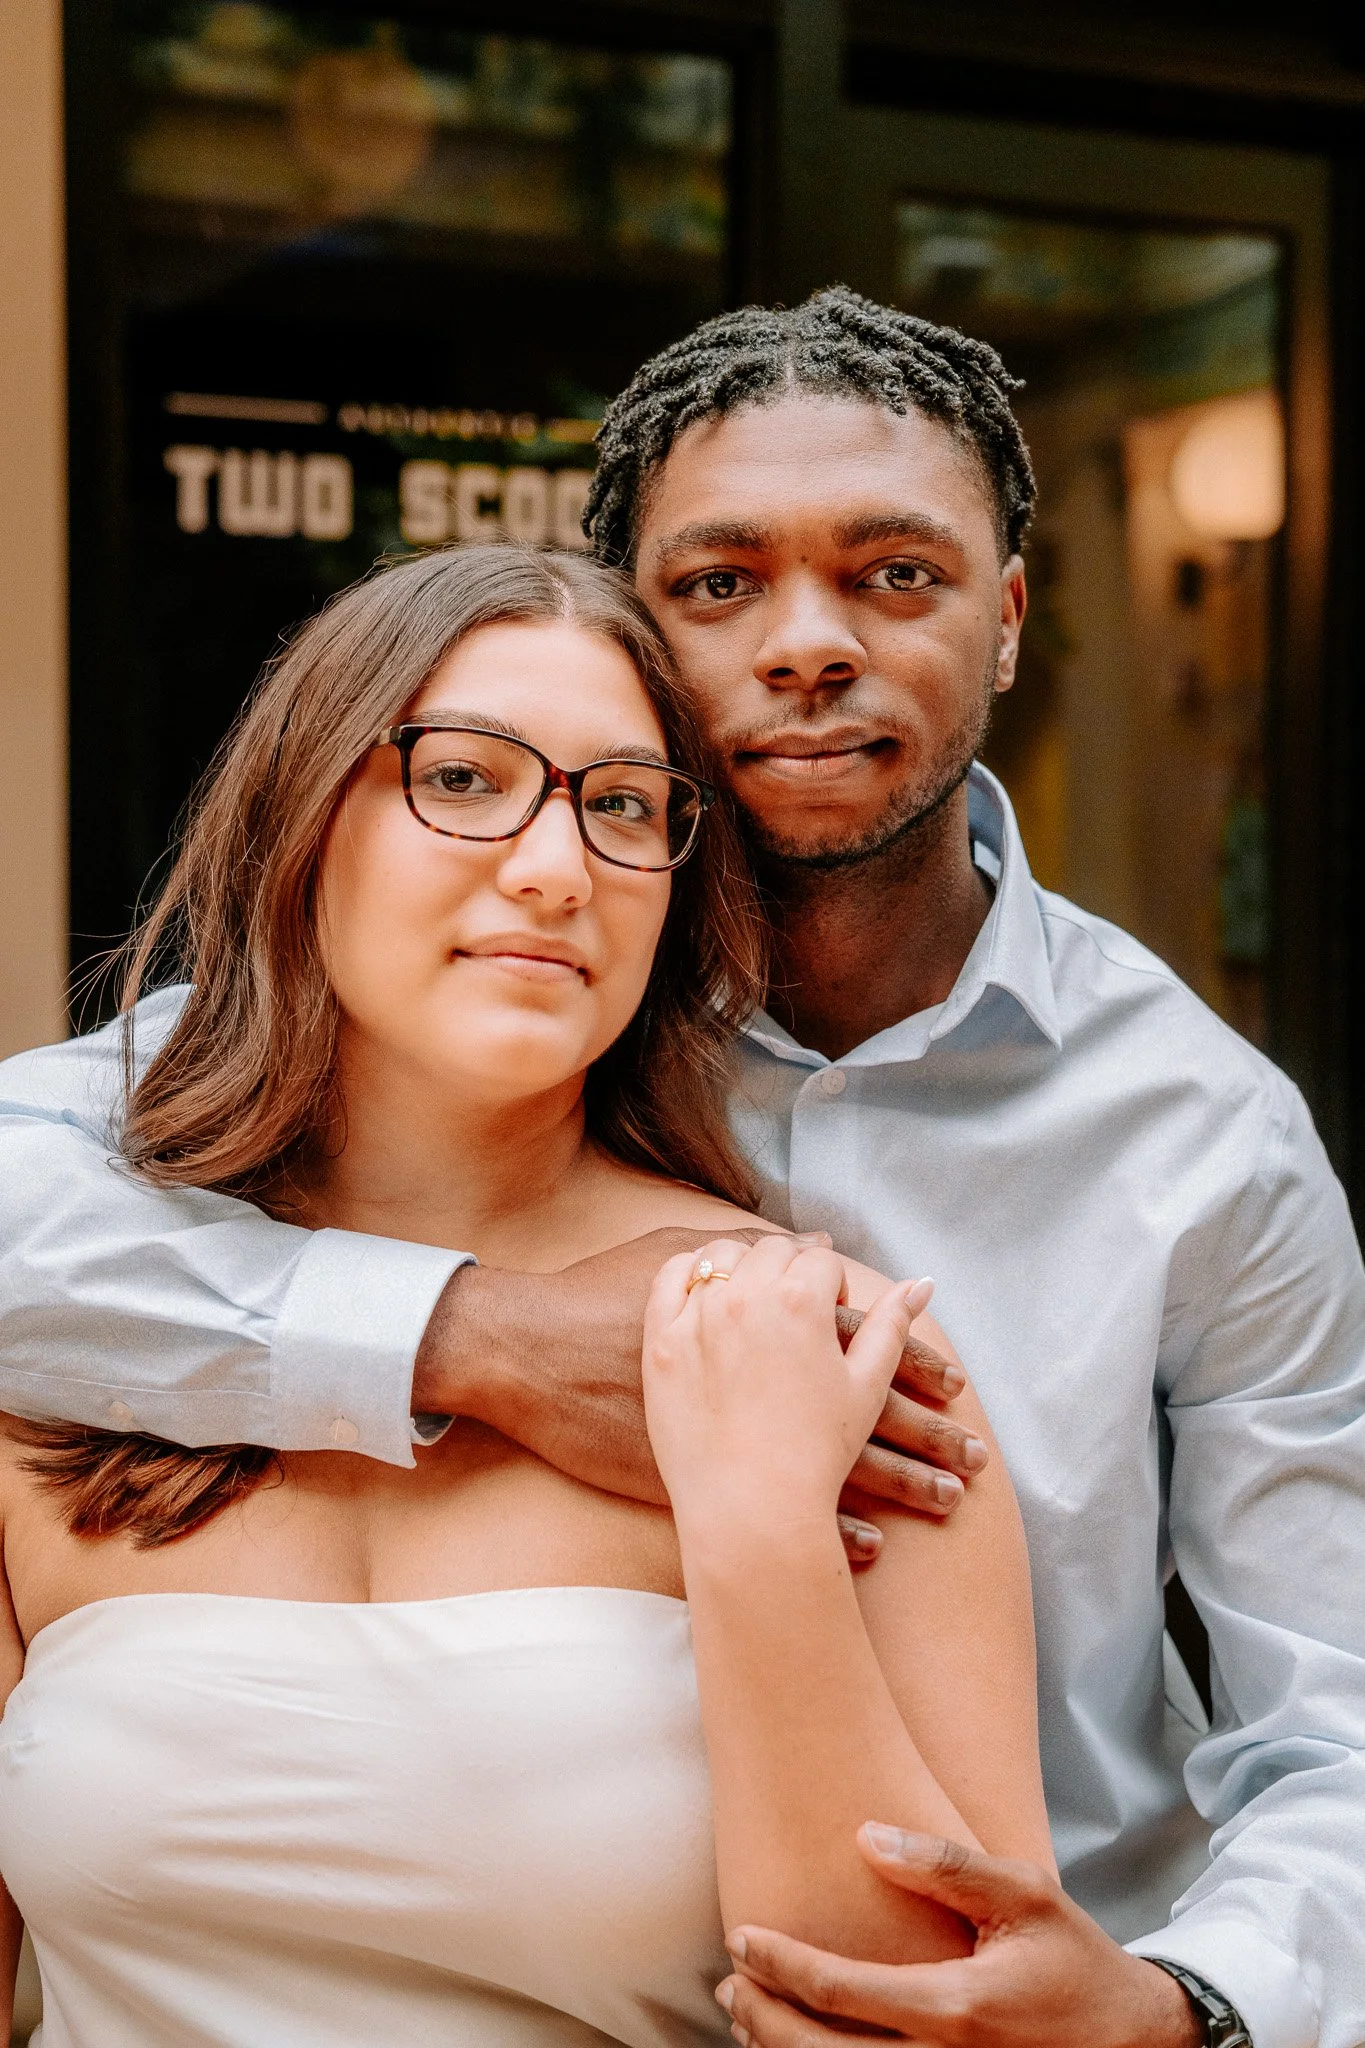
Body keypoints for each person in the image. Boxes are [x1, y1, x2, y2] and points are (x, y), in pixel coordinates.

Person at [2, 288, 1364, 2046]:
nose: (808, 644)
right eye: (721, 586)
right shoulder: (465, 997)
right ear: (636, 637)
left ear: (1010, 619)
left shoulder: (1204, 1135)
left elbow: (1334, 1715)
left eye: (898, 574)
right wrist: (470, 1336)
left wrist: (1190, 2006)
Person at [0, 542, 1053, 2046]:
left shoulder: (827, 1347)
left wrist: (759, 1534)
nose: (556, 868)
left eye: (622, 806)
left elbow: (943, 2020)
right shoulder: (59, 1331)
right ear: (300, 821)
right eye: (468, 778)